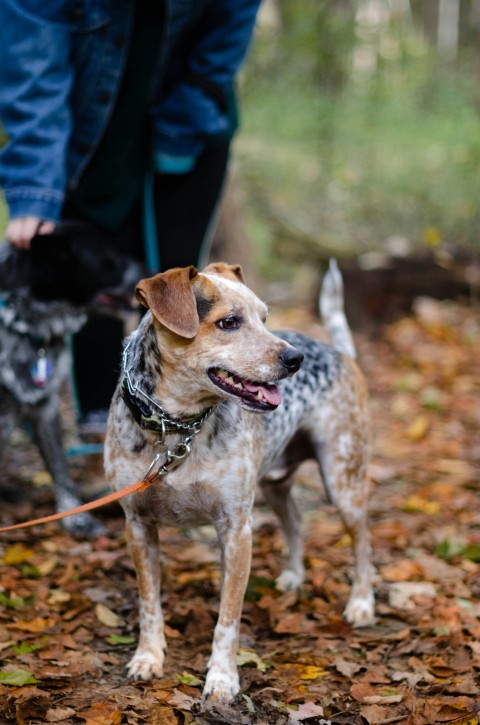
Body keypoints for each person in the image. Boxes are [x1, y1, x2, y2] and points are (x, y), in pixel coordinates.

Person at [0, 0, 261, 432]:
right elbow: (32, 73)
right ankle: (101, 422)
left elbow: (229, 27)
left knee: (177, 283)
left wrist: (183, 120)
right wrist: (35, 187)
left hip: (192, 119)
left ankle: (183, 417)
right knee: (91, 277)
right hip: (87, 130)